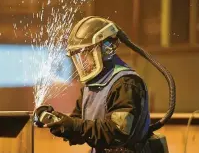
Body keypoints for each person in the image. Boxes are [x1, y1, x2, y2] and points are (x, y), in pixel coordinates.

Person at [34, 16, 169, 153]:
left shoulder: (126, 84)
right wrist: (58, 122)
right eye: (78, 56)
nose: (83, 61)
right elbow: (80, 126)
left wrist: (74, 125)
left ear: (106, 49)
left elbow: (116, 133)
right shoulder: (91, 86)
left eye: (85, 53)